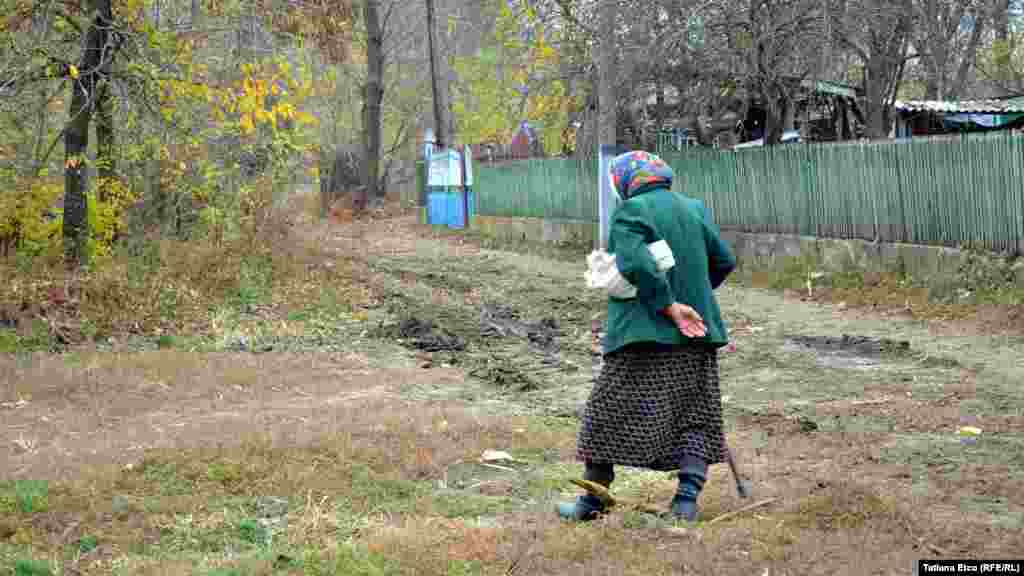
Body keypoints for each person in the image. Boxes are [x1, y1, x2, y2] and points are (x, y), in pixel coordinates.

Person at [558, 150, 737, 523]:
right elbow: (723, 261)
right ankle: (685, 504)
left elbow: (636, 263)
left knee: (605, 416)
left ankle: (593, 502)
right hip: (696, 335)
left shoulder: (632, 211)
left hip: (642, 336)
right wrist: (692, 298)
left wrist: (669, 306)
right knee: (695, 417)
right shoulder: (694, 209)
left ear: (625, 182)